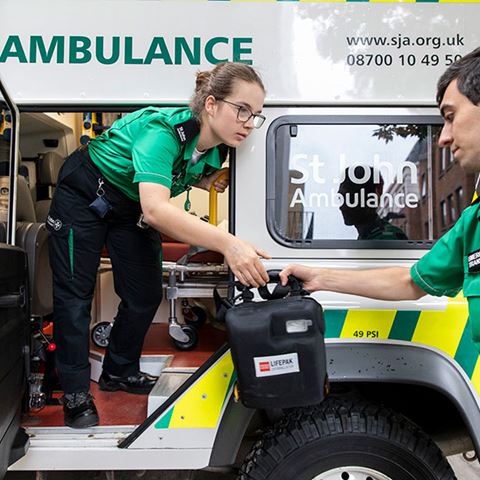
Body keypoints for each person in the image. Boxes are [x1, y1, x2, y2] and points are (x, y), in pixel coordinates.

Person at [47, 62, 270, 428]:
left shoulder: (218, 151)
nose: (249, 122)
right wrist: (230, 244)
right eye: (241, 110)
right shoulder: (163, 131)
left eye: (256, 115)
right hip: (86, 194)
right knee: (75, 297)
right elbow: (154, 210)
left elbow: (173, 175)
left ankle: (118, 371)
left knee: (145, 294)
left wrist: (209, 180)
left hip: (128, 205)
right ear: (211, 104)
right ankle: (74, 394)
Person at [280, 47, 480, 348]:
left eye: (451, 117)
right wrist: (318, 277)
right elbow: (410, 282)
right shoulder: (473, 221)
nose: (443, 137)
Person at [338, 166, 408, 240]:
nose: (342, 207)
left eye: (351, 199)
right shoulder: (370, 237)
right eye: (341, 199)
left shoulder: (385, 238)